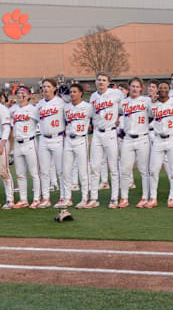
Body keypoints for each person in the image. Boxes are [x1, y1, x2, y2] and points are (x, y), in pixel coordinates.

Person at [146, 82, 173, 208]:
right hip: (158, 139)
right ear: (157, 90)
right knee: (153, 170)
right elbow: (150, 117)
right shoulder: (153, 104)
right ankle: (153, 198)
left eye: (165, 88)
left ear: (169, 90)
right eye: (161, 88)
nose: (163, 90)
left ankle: (172, 198)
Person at [89, 72, 123, 204]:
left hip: (110, 132)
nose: (101, 82)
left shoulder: (116, 94)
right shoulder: (93, 96)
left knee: (113, 167)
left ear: (108, 82)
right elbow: (92, 114)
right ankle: (93, 198)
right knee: (94, 167)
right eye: (99, 80)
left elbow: (124, 108)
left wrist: (120, 119)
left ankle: (114, 197)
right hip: (97, 133)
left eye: (104, 80)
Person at [118, 77, 151, 208]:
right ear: (129, 87)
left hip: (143, 138)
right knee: (125, 169)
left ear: (141, 88)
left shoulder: (146, 101)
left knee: (144, 170)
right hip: (128, 139)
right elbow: (118, 114)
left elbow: (154, 114)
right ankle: (124, 198)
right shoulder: (123, 103)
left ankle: (145, 197)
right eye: (132, 86)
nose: (135, 89)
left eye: (137, 86)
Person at [36, 79, 68, 208]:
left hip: (58, 137)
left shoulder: (61, 103)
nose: (45, 89)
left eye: (48, 86)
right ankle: (46, 198)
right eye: (44, 87)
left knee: (61, 170)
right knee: (44, 171)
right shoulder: (39, 104)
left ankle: (63, 197)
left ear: (55, 88)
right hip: (43, 138)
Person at [63, 84, 95, 208]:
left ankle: (85, 198)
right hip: (69, 140)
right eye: (71, 92)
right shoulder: (66, 108)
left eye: (75, 92)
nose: (72, 94)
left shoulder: (88, 107)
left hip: (81, 139)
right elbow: (66, 122)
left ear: (80, 93)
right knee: (66, 170)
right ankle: (67, 198)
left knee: (83, 171)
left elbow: (95, 119)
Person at [10, 86, 41, 209]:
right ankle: (23, 199)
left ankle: (36, 199)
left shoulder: (33, 109)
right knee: (20, 173)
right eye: (18, 93)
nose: (20, 95)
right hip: (18, 143)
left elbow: (42, 122)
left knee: (34, 172)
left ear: (28, 96)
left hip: (30, 142)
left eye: (23, 93)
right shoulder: (13, 109)